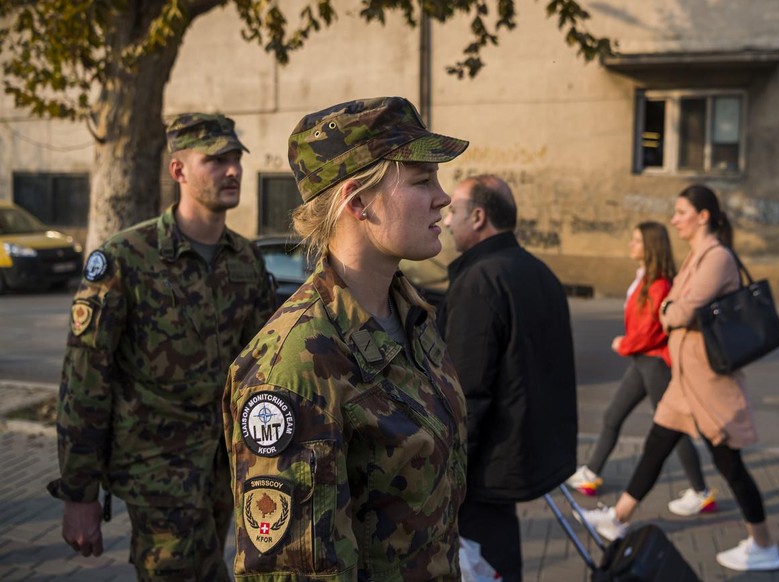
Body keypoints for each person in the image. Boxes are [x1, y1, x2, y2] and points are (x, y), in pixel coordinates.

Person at [223, 96, 470, 579]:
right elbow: (296, 570)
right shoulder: (294, 365)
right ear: (357, 201)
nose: (444, 198)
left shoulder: (413, 318)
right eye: (422, 181)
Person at [48, 113, 277, 580]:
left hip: (225, 465)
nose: (232, 170)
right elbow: (84, 384)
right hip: (158, 468)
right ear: (179, 171)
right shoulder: (124, 259)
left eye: (235, 158)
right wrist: (79, 494)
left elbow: (262, 369)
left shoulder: (247, 259)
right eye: (215, 160)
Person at [582, 185, 779, 572]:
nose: (674, 219)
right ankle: (618, 518)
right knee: (656, 447)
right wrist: (671, 308)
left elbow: (679, 311)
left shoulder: (717, 257)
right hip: (685, 381)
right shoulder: (698, 255)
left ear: (703, 216)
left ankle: (764, 544)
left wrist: (671, 310)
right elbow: (672, 305)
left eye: (681, 211)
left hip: (709, 383)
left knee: (730, 466)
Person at [439, 175, 578, 582]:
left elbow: (467, 392)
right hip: (523, 455)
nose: (447, 222)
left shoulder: (480, 282)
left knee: (487, 564)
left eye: (453, 212)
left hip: (486, 468)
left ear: (479, 217)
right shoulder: (535, 269)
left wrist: (448, 475)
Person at [567, 222, 717, 517]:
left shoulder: (659, 283)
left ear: (650, 247)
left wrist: (624, 343)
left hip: (655, 362)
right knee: (613, 415)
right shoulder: (645, 278)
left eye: (636, 241)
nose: (631, 245)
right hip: (643, 361)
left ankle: (700, 493)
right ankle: (591, 474)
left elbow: (652, 330)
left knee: (674, 428)